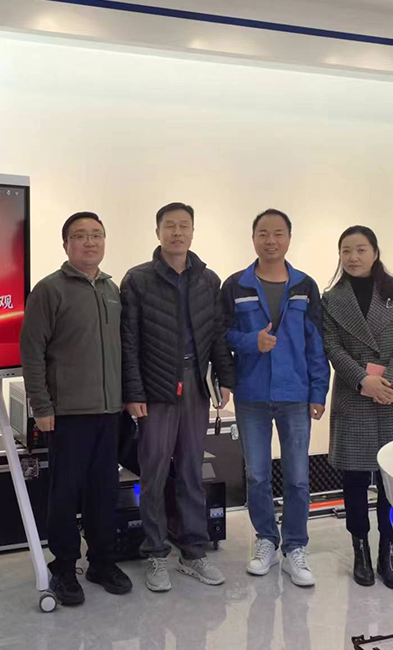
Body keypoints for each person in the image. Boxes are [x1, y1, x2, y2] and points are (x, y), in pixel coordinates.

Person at [120, 202, 235, 592]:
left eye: (184, 226)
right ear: (158, 233)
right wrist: (133, 392)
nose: (177, 232)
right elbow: (129, 341)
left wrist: (224, 378)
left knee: (190, 471)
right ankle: (155, 552)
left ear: (193, 232)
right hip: (155, 388)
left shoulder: (207, 280)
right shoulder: (138, 279)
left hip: (194, 385)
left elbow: (216, 334)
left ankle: (193, 552)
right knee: (153, 472)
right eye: (170, 226)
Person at [19, 212, 132, 606]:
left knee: (104, 491)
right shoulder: (49, 290)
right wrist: (41, 405)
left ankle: (102, 561)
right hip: (67, 413)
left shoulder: (111, 289)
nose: (90, 242)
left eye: (97, 235)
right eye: (81, 236)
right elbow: (32, 351)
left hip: (109, 411)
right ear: (66, 244)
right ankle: (64, 567)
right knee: (65, 494)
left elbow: (122, 350)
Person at [222, 209, 330, 586]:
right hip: (251, 394)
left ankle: (295, 547)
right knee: (257, 475)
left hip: (295, 394)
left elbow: (316, 343)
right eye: (263, 233)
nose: (271, 240)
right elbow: (222, 336)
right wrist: (251, 342)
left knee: (298, 477)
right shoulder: (236, 285)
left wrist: (318, 390)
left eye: (278, 233)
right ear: (253, 238)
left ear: (289, 238)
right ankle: (266, 539)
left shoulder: (304, 286)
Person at [322, 225, 393, 591]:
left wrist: (390, 382)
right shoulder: (331, 299)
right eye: (346, 250)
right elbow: (332, 346)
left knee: (390, 482)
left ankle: (387, 553)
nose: (353, 257)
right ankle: (361, 550)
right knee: (353, 479)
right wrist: (364, 380)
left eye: (360, 249)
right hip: (355, 395)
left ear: (375, 252)